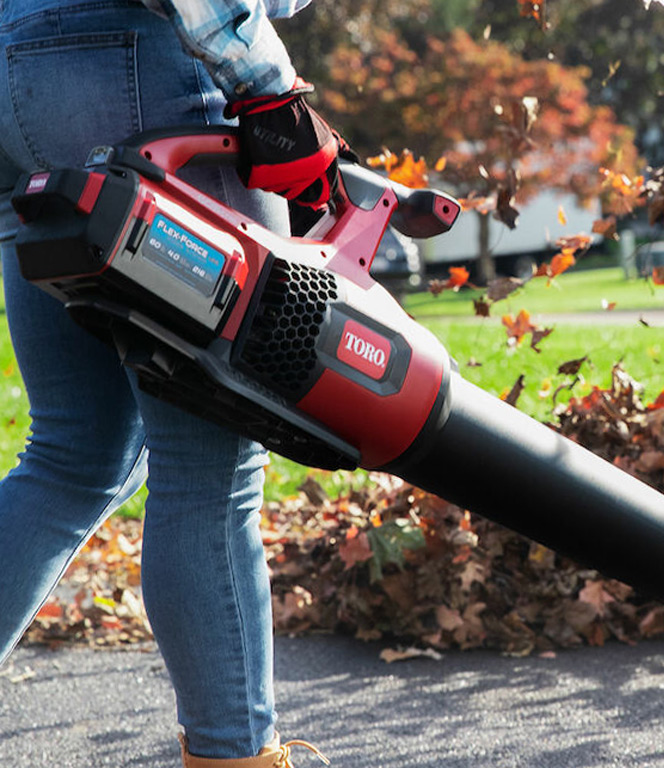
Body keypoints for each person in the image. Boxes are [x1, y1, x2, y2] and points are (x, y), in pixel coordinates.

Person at [0, 0, 346, 764]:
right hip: (142, 66)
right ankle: (237, 757)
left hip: (15, 82)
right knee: (209, 470)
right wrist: (269, 88)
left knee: (73, 456)